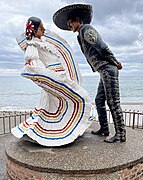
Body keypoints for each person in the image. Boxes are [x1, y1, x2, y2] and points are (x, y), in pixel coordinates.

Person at [11, 16, 95, 147]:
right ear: (34, 29)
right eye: (41, 27)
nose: (44, 29)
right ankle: (52, 133)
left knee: (59, 106)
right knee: (62, 105)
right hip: (53, 79)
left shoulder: (40, 41)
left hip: (57, 78)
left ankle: (71, 129)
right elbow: (32, 61)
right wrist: (46, 76)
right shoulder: (32, 45)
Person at [53, 4, 126, 143]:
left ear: (77, 20)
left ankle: (121, 134)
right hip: (103, 70)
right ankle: (104, 129)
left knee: (113, 102)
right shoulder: (80, 34)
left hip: (108, 68)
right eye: (68, 24)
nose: (69, 26)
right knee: (99, 101)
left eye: (70, 23)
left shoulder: (86, 29)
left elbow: (102, 47)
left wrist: (116, 62)